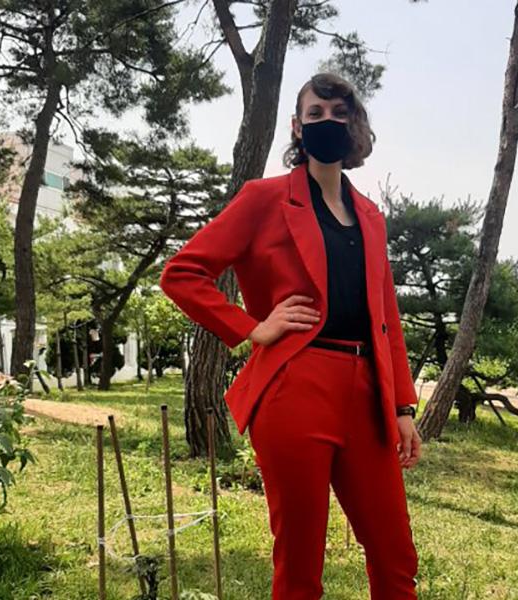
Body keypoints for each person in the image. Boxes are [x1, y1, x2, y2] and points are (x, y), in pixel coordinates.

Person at [160, 72, 421, 599]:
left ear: (354, 124)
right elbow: (182, 273)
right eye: (316, 114)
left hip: (368, 392)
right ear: (297, 127)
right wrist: (252, 327)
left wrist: (403, 406)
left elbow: (385, 316)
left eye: (338, 113)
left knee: (396, 555)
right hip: (296, 387)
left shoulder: (371, 216)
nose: (328, 121)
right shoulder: (264, 198)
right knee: (301, 561)